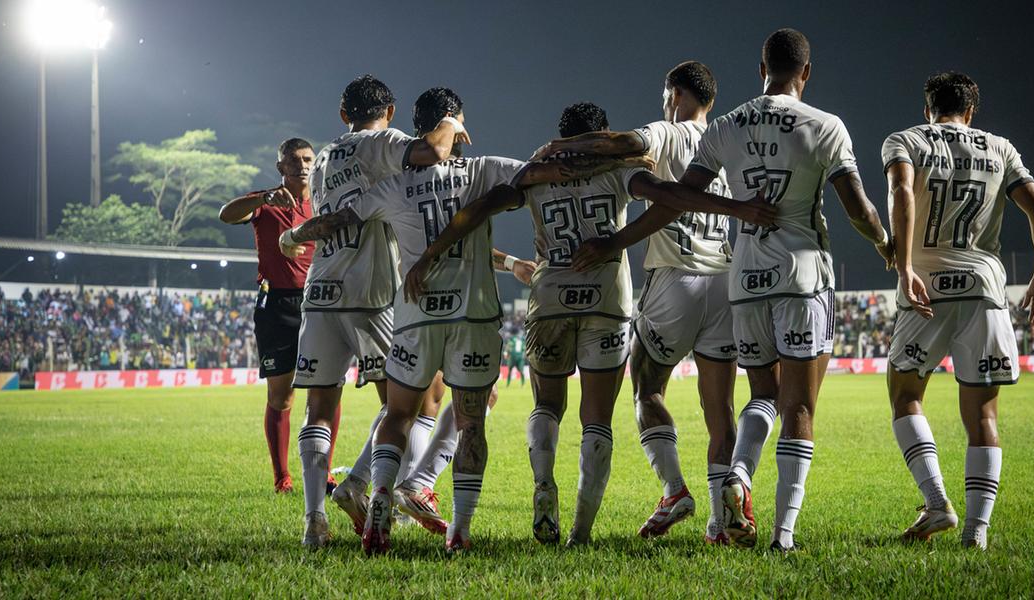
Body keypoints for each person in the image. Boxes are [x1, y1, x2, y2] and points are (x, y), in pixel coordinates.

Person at [284, 88, 635, 554]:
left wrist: (296, 235)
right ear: (451, 124)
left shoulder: (391, 186)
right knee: (472, 421)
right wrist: (599, 161)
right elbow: (545, 174)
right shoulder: (483, 170)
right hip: (471, 317)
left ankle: (379, 495)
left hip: (410, 316)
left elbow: (339, 220)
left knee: (397, 413)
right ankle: (459, 532)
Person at [414, 101, 774, 548]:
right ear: (600, 134)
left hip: (549, 300)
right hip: (607, 302)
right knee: (597, 421)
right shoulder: (620, 172)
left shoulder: (537, 172)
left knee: (546, 406)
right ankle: (581, 532)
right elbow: (674, 198)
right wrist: (737, 209)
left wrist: (432, 253)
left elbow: (482, 208)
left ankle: (544, 483)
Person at [673, 29, 894, 552]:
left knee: (763, 396)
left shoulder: (725, 125)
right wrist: (886, 244)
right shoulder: (826, 126)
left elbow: (683, 195)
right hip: (801, 277)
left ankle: (740, 477)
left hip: (744, 280)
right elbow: (858, 208)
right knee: (799, 407)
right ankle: (782, 536)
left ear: (761, 70)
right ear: (806, 73)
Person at [536, 60, 741, 542]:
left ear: (675, 93)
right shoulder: (724, 143)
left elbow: (625, 143)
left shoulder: (668, 133)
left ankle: (674, 490)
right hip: (724, 280)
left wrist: (565, 146)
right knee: (721, 408)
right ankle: (722, 518)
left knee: (648, 386)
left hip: (675, 276)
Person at [285, 74, 469, 549]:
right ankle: (359, 483)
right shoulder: (382, 141)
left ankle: (313, 519)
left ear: (342, 115)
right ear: (388, 113)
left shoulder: (324, 156)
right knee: (408, 403)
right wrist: (450, 121)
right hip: (369, 290)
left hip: (320, 288)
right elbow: (432, 152)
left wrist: (293, 237)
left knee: (319, 411)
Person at [882, 71, 1034, 550]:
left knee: (905, 394)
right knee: (983, 415)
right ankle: (977, 533)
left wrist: (905, 264)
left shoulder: (907, 140)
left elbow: (901, 193)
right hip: (984, 289)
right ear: (972, 112)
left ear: (927, 108)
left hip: (926, 290)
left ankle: (936, 501)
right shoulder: (1001, 148)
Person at [218, 137, 324, 494]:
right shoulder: (266, 203)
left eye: (308, 158)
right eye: (294, 160)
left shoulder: (324, 204)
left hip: (319, 304)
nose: (303, 165)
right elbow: (226, 214)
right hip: (277, 306)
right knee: (282, 396)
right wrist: (263, 198)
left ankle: (320, 472)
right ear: (281, 167)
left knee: (322, 394)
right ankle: (283, 478)